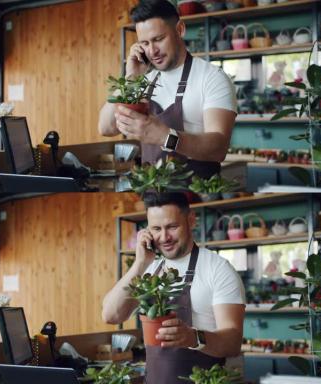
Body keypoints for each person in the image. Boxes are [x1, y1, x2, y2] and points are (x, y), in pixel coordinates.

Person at [101, 192, 245, 384]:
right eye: (156, 229)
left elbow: (233, 342)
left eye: (172, 226)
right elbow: (111, 315)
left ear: (191, 220)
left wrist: (194, 338)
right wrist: (139, 264)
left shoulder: (218, 269)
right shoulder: (149, 269)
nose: (164, 237)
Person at [98, 0, 237, 179]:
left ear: (180, 29)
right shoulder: (144, 81)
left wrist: (166, 137)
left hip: (195, 192)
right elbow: (106, 127)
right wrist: (131, 78)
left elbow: (219, 149)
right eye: (145, 43)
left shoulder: (211, 78)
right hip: (153, 194)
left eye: (158, 39)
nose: (152, 51)